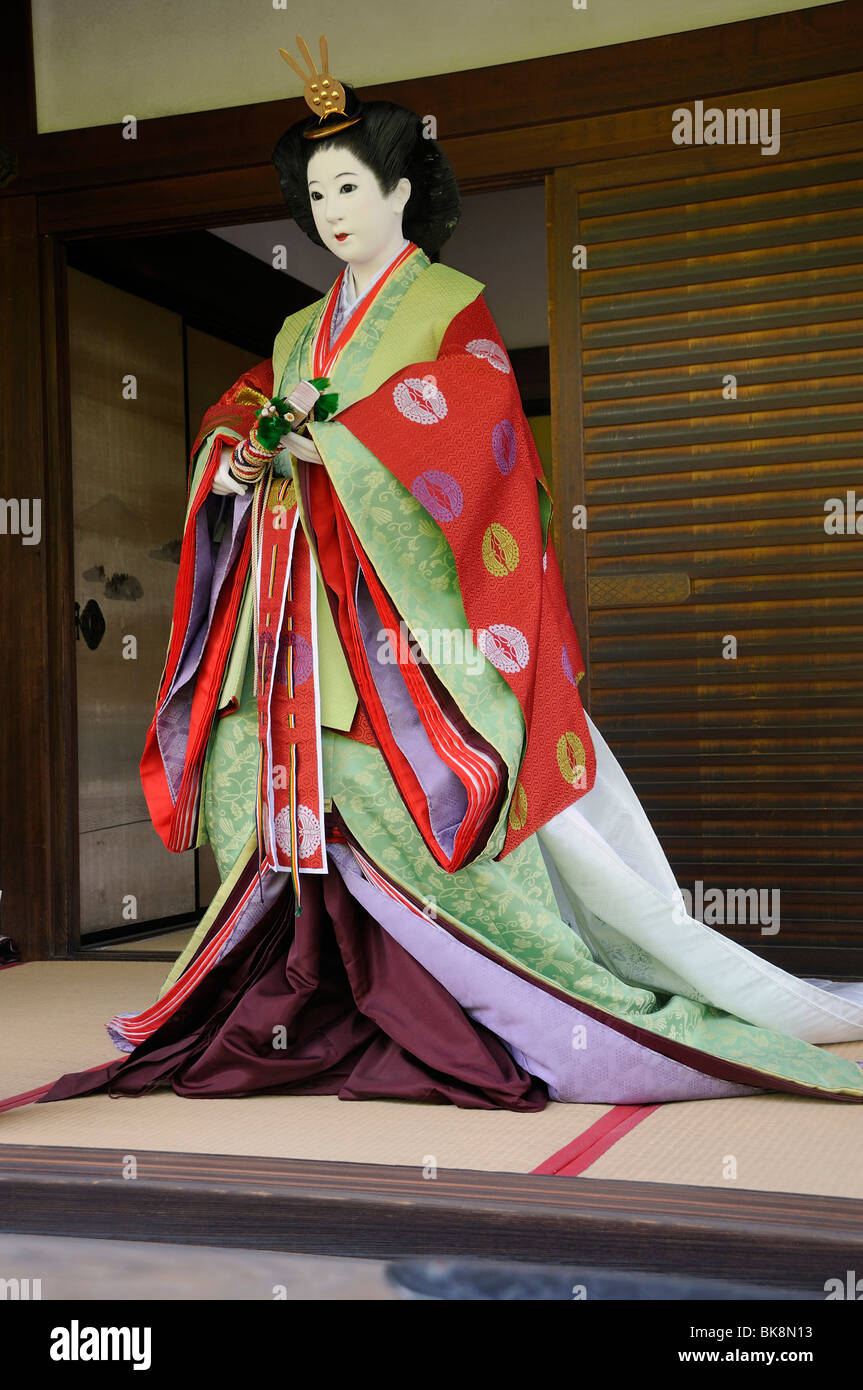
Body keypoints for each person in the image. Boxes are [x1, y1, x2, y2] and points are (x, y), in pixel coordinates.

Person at [41, 37, 863, 1112]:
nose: (329, 210)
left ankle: (478, 1010)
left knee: (420, 802)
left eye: (349, 185)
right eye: (313, 192)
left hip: (399, 624)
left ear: (398, 189)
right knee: (259, 787)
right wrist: (242, 454)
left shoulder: (449, 305)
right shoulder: (298, 326)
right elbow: (246, 409)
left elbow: (475, 422)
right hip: (294, 610)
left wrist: (338, 443)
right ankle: (300, 1002)